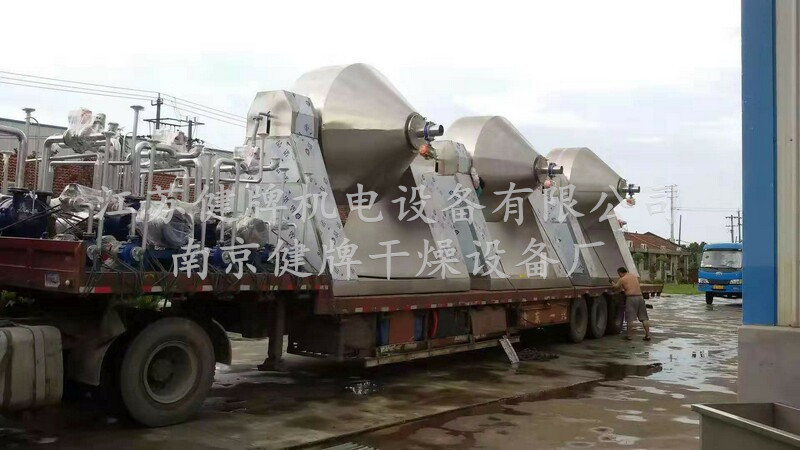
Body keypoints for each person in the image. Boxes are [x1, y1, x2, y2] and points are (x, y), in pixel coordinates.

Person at [612, 267, 651, 341]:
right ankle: (647, 335)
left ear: (620, 272)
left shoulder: (622, 279)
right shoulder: (633, 276)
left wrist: (612, 282)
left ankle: (629, 336)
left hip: (631, 298)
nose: (619, 275)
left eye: (618, 274)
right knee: (644, 318)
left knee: (630, 319)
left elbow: (616, 287)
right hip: (640, 297)